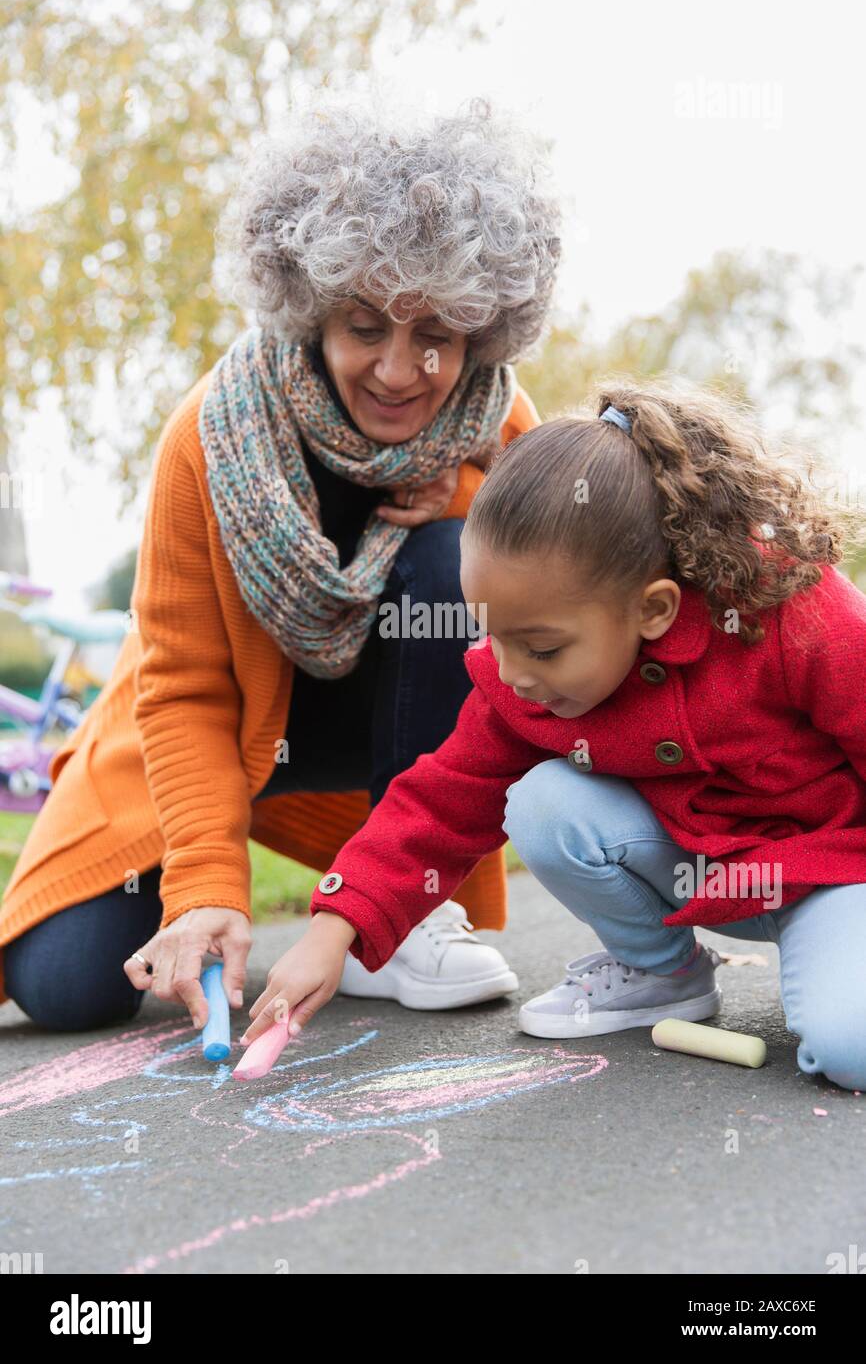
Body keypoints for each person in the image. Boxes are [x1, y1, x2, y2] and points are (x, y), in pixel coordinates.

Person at [0, 98, 561, 1031]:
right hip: (218, 732)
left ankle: (407, 917)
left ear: (482, 329)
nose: (400, 368)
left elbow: (553, 604)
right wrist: (207, 889)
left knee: (451, 561)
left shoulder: (501, 431)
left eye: (437, 334)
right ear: (310, 310)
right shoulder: (210, 436)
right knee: (66, 987)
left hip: (382, 744)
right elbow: (179, 687)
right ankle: (208, 893)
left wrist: (467, 502)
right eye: (366, 325)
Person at [235, 378, 866, 1093]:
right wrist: (332, 930)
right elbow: (440, 802)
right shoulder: (520, 680)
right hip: (696, 870)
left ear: (653, 609)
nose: (512, 674)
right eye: (492, 636)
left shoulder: (790, 611)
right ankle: (662, 973)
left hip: (834, 875)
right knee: (542, 800)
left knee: (851, 1052)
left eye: (540, 647)